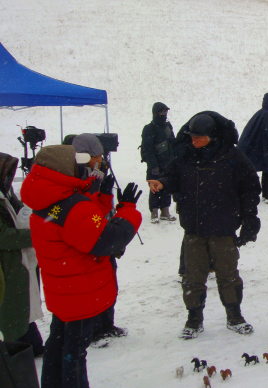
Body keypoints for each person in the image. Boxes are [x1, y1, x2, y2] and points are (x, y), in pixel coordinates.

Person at [20, 145, 142, 388]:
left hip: (63, 289)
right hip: (80, 291)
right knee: (74, 353)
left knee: (58, 346)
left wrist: (101, 197)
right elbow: (106, 239)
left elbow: (80, 226)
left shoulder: (48, 198)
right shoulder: (71, 205)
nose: (85, 169)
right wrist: (127, 209)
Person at [148, 111, 261, 339]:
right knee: (192, 277)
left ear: (213, 137)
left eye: (198, 137)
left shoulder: (232, 157)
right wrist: (162, 182)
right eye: (192, 137)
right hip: (194, 229)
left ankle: (234, 315)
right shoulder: (186, 155)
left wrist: (250, 219)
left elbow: (250, 188)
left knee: (228, 275)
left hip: (223, 228)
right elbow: (173, 175)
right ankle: (194, 319)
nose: (193, 141)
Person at [71, 134, 129, 345]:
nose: (100, 160)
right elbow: (85, 205)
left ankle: (107, 323)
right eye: (96, 156)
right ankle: (94, 328)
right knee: (92, 285)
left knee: (109, 279)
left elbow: (104, 203)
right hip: (89, 236)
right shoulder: (75, 175)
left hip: (103, 228)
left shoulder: (98, 172)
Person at [0, 153, 43, 357]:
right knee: (12, 309)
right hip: (6, 264)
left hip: (18, 261)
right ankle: (15, 352)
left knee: (23, 303)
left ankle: (31, 346)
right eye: (6, 173)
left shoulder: (6, 194)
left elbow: (20, 212)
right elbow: (3, 235)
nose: (9, 178)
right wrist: (34, 234)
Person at [238, 93, 268, 204]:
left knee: (267, 167)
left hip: (259, 149)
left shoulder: (260, 114)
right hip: (267, 150)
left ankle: (267, 193)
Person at [141, 102, 177, 223]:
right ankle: (154, 212)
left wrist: (176, 158)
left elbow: (173, 142)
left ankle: (165, 211)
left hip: (169, 163)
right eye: (162, 112)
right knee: (154, 188)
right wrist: (153, 166)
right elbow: (147, 149)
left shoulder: (167, 126)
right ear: (156, 113)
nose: (164, 114)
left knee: (167, 186)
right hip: (155, 164)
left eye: (166, 112)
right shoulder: (149, 128)